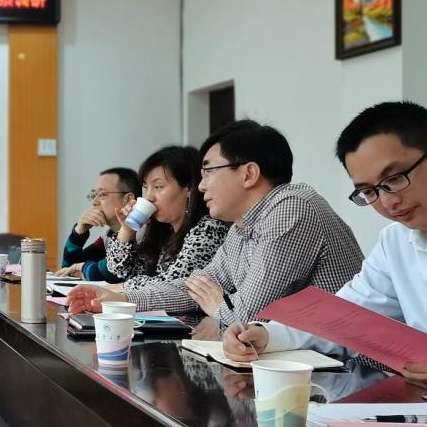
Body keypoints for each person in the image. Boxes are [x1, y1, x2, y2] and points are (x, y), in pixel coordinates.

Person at [69, 120, 363, 325]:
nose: (201, 186)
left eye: (209, 172)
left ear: (248, 174)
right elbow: (191, 288)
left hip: (351, 372)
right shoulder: (242, 227)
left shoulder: (292, 208)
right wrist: (118, 297)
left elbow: (246, 316)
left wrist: (218, 305)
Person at [223, 102, 427, 384]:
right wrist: (266, 335)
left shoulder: (293, 208)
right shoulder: (395, 242)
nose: (388, 202)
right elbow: (346, 318)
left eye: (393, 179)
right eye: (369, 192)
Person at [104, 146, 229, 292]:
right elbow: (120, 270)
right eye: (146, 187)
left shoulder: (210, 229)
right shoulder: (165, 231)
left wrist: (122, 287)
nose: (149, 197)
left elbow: (173, 284)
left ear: (189, 188)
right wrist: (127, 230)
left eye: (158, 186)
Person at [53, 167, 140, 281]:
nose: (94, 202)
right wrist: (79, 232)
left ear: (128, 199)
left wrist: (82, 267)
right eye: (94, 195)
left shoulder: (141, 233)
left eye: (102, 194)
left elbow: (107, 273)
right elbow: (69, 268)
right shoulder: (108, 236)